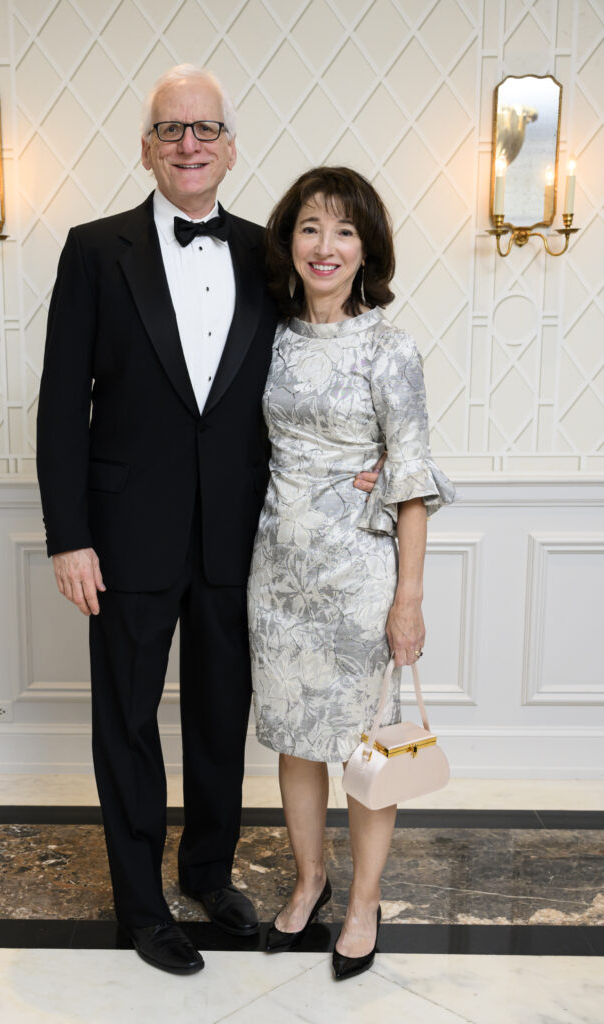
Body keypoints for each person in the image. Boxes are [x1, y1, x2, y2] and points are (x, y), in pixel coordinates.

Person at [36, 65, 380, 976]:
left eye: (206, 128)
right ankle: (144, 907)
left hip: (243, 537)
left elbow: (316, 362)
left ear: (228, 147)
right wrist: (68, 535)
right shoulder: (91, 249)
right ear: (147, 148)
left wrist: (366, 452)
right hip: (120, 539)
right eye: (170, 129)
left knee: (222, 720)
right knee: (128, 725)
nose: (189, 143)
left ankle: (208, 877)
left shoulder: (266, 254)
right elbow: (60, 403)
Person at [247, 166, 455, 980]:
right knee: (297, 745)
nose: (323, 245)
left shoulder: (390, 347)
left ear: (366, 246)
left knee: (369, 750)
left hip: (362, 578)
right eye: (308, 227)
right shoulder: (269, 335)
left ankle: (362, 900)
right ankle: (310, 880)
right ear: (288, 241)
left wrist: (408, 599)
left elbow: (411, 476)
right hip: (278, 567)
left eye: (341, 230)